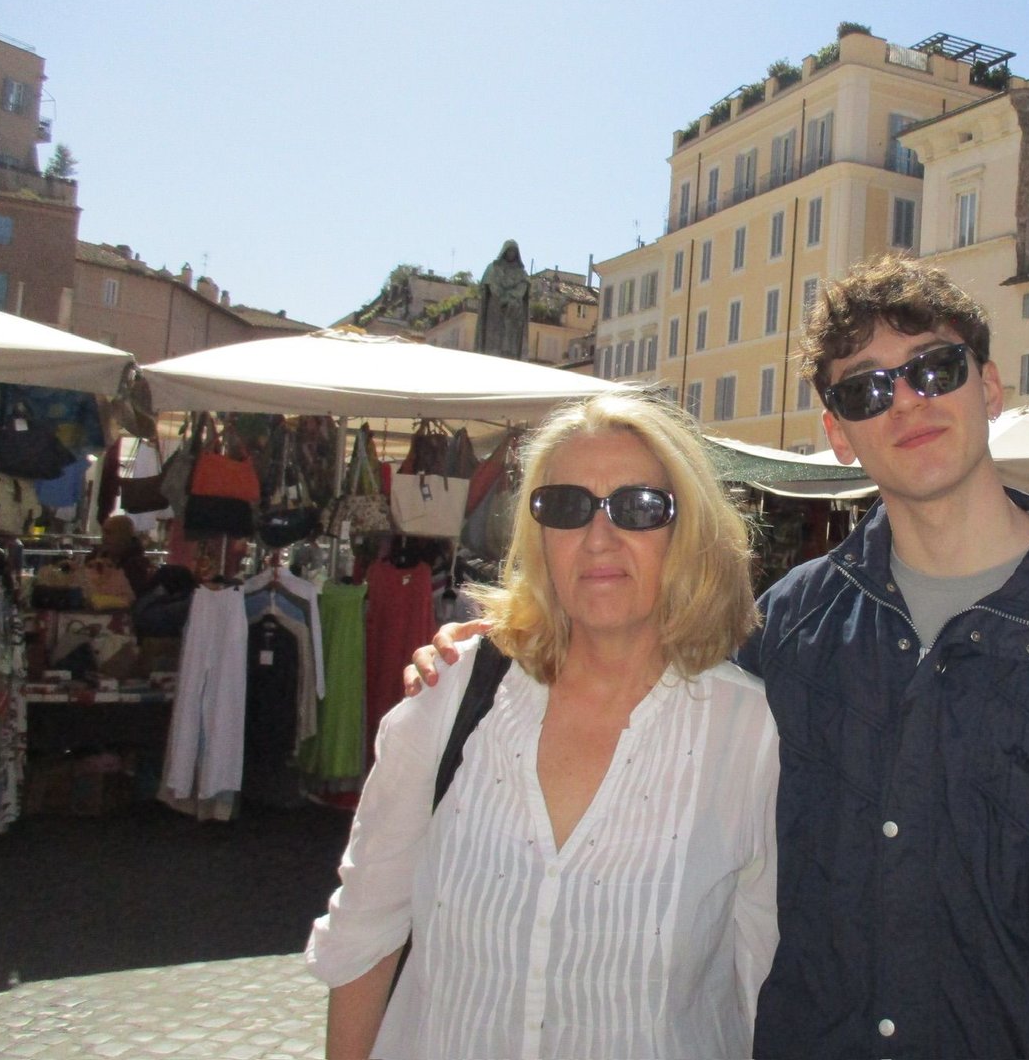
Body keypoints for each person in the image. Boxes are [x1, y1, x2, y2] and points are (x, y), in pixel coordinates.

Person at [411, 255, 1029, 1058]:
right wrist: (502, 652)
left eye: (933, 369)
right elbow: (642, 685)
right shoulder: (791, 623)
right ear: (839, 433)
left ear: (990, 385)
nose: (906, 403)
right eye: (866, 389)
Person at [307, 391, 778, 1059]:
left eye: (639, 507)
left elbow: (763, 974)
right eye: (566, 507)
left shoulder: (751, 732)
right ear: (537, 534)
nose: (598, 537)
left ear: (688, 532)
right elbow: (364, 932)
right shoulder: (453, 694)